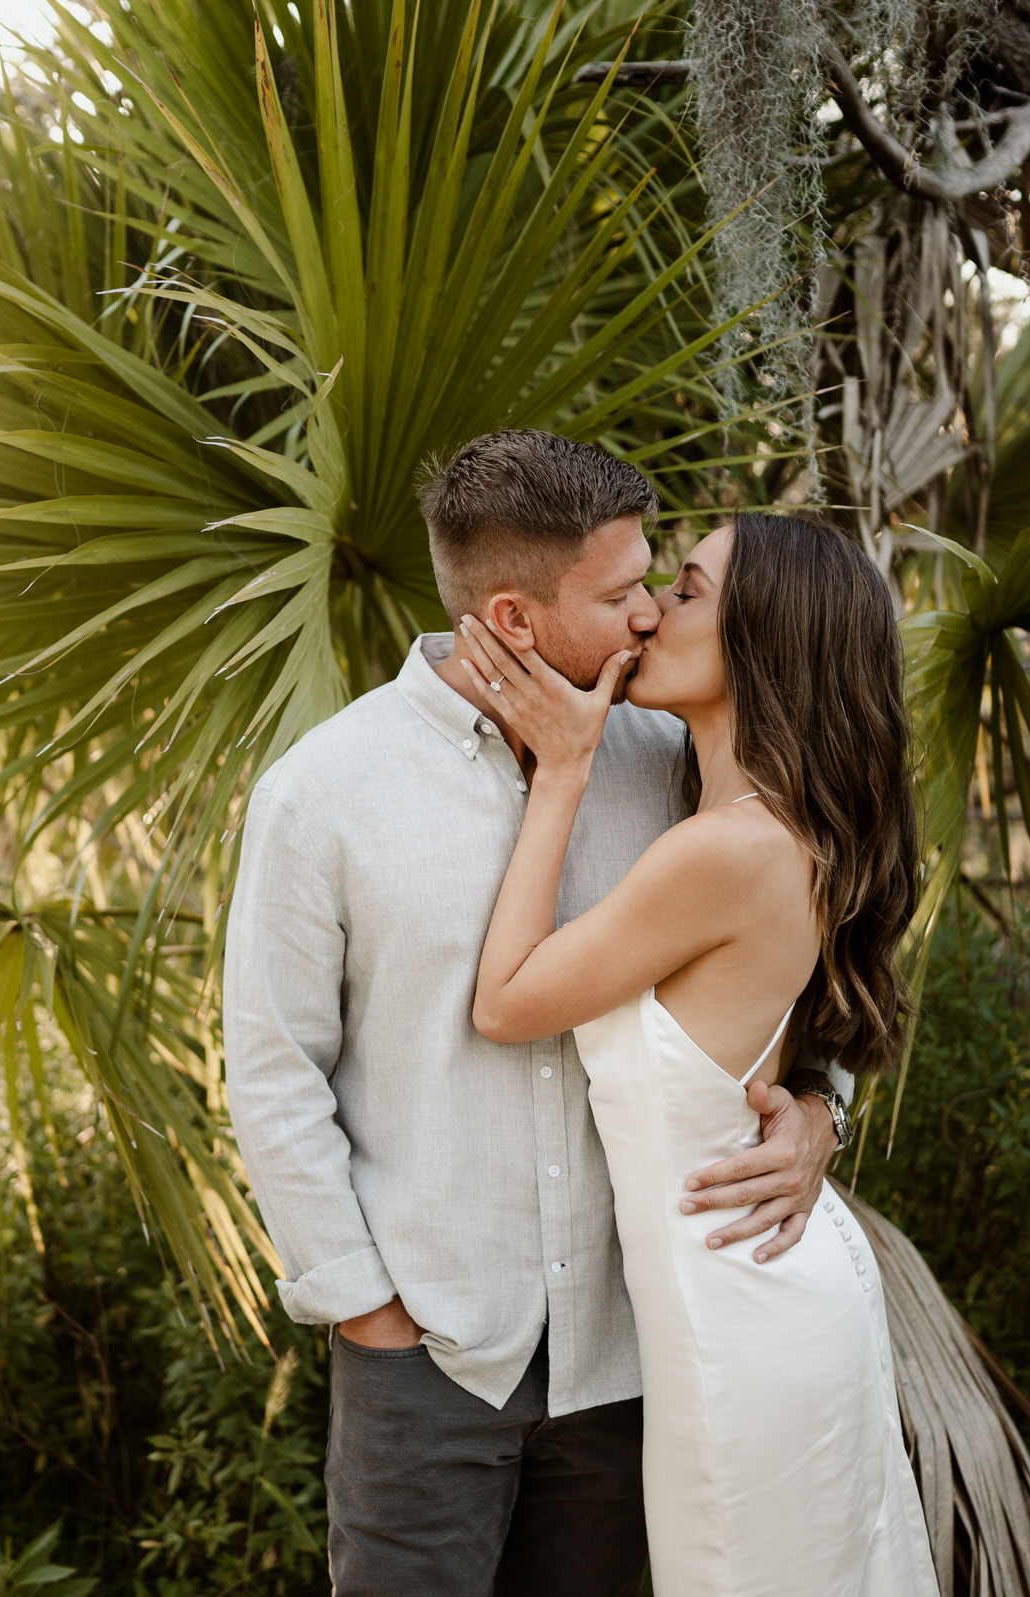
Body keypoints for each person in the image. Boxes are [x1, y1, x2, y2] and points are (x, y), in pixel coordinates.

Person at [223, 431, 856, 1596]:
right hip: (430, 1359)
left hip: (635, 1352)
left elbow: (789, 965)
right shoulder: (322, 792)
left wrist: (821, 1105)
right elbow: (272, 1071)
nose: (648, 618)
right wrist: (370, 1311)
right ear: (514, 619)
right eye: (621, 594)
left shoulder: (673, 759)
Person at [455, 510, 937, 1593]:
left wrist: (564, 771)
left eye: (688, 591)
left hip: (742, 1326)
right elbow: (785, 1042)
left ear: (763, 639)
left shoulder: (724, 850)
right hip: (748, 1297)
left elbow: (505, 999)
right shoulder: (766, 828)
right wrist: (818, 1106)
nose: (652, 611)